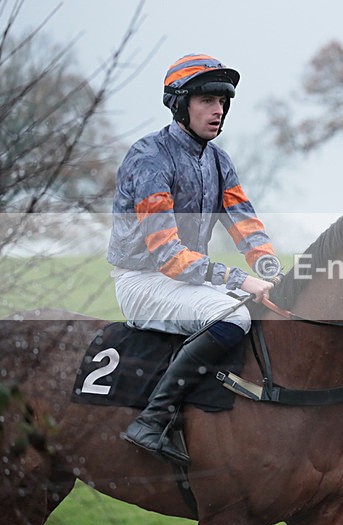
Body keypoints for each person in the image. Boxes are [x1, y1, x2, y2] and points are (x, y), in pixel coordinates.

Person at [107, 53, 279, 467]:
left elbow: (246, 225)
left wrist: (274, 271)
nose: (217, 110)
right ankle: (153, 419)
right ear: (180, 104)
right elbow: (167, 255)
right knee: (233, 317)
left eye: (222, 101)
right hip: (143, 280)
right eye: (206, 100)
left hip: (186, 280)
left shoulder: (219, 160)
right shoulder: (149, 157)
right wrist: (241, 280)